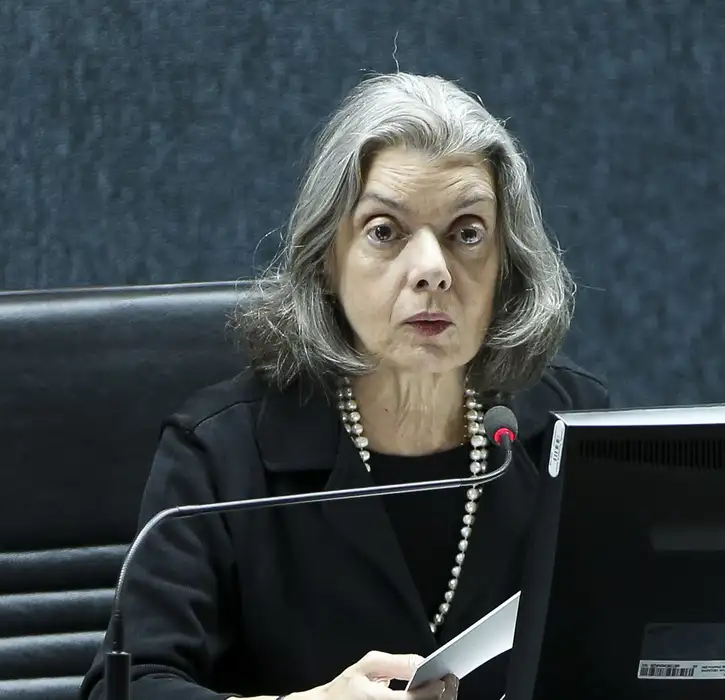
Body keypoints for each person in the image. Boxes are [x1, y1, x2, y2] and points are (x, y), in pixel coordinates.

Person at [80, 72, 609, 700]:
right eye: (385, 231)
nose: (433, 270)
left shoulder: (571, 428)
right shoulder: (223, 455)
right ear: (327, 259)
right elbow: (126, 687)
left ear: (506, 264)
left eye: (467, 233)